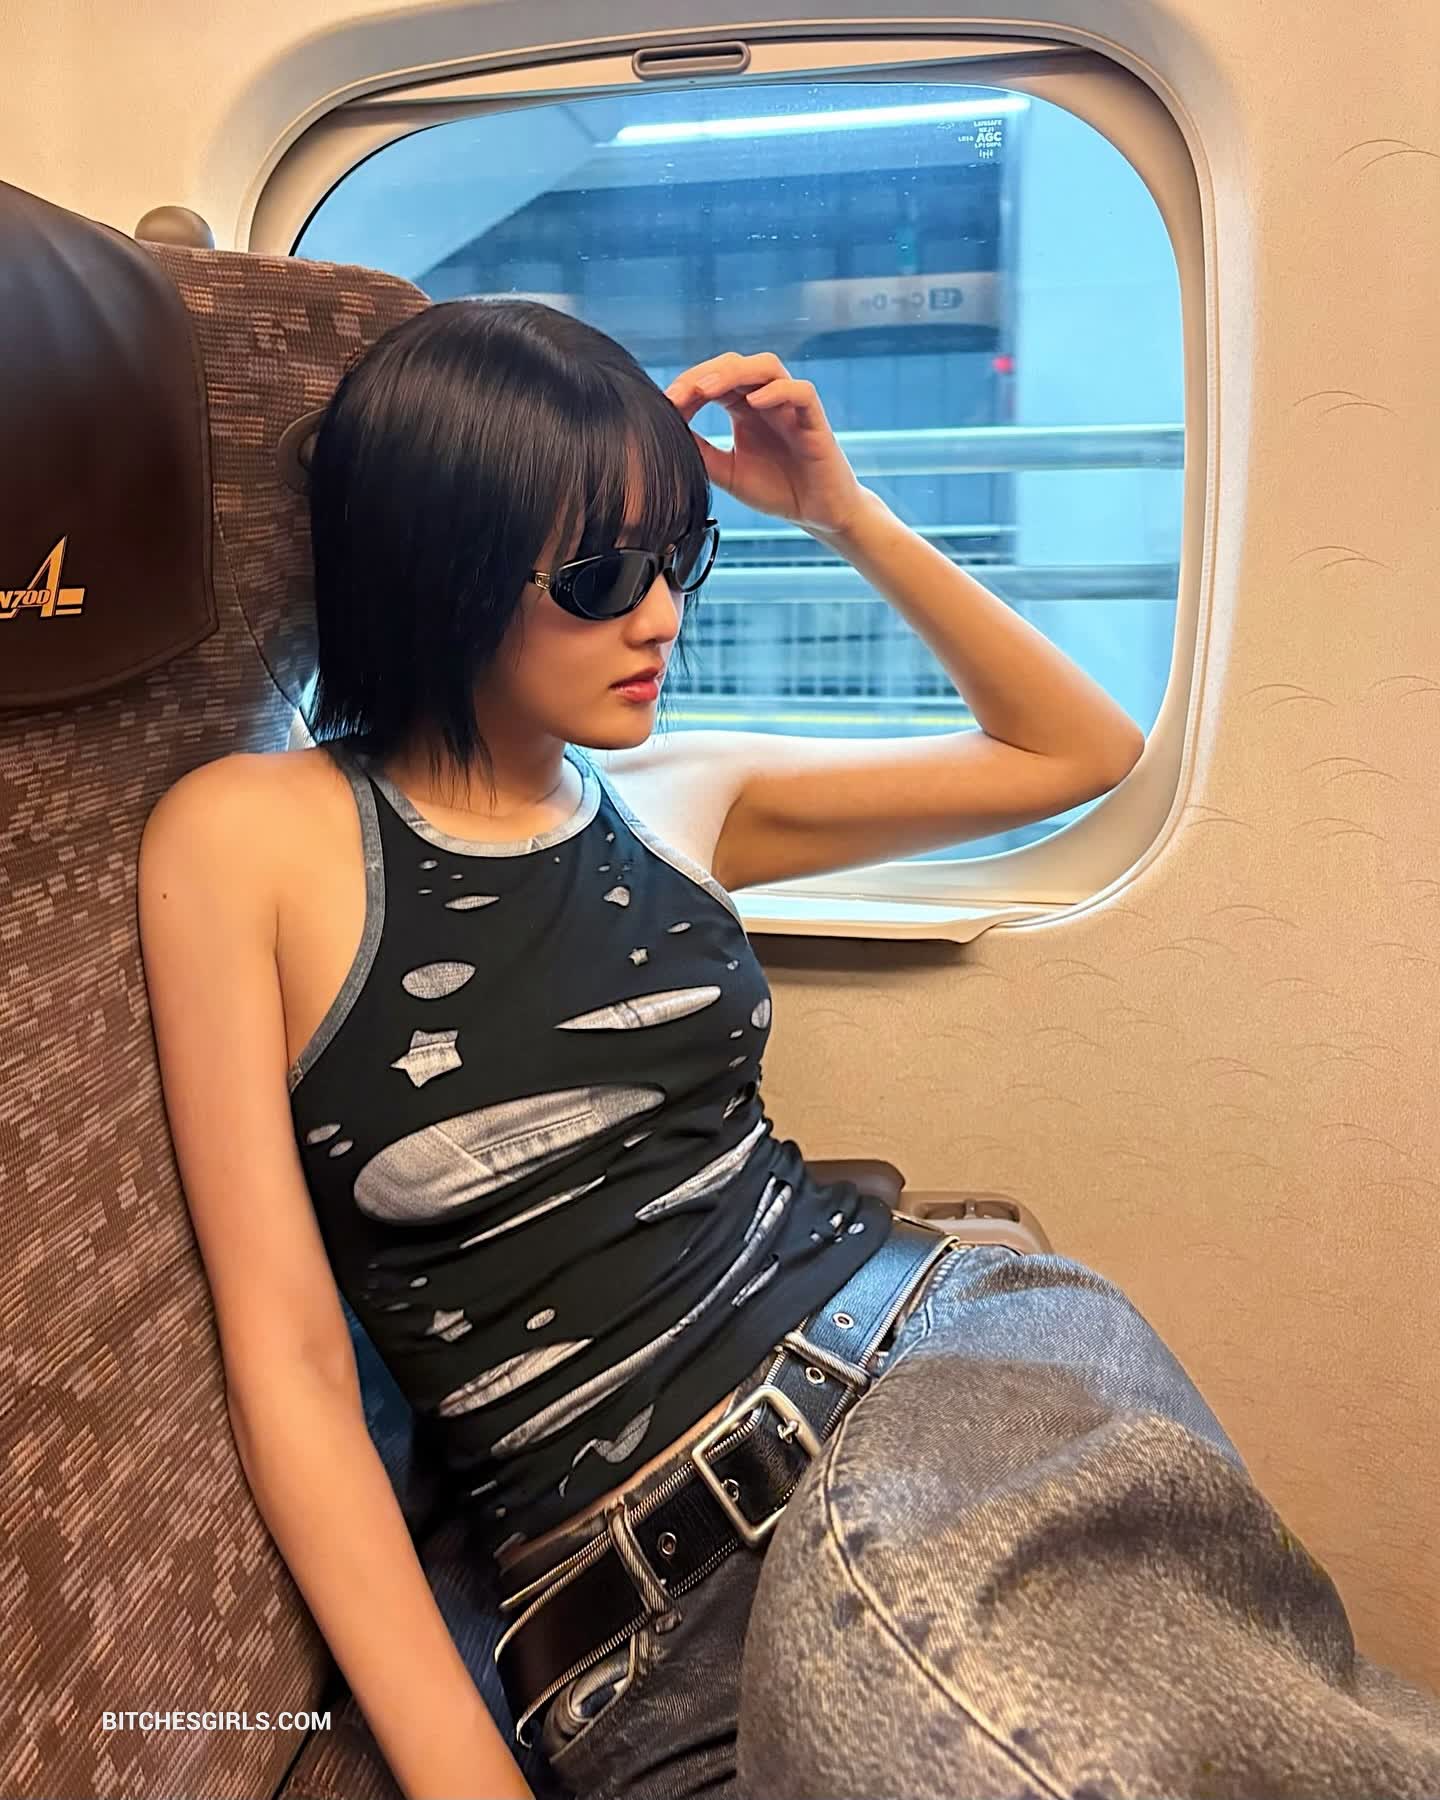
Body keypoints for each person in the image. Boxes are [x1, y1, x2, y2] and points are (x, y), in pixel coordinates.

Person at [137, 300, 1440, 1800]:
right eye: (602, 576)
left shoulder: (681, 798)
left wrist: (840, 512)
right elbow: (295, 1365)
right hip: (636, 1609)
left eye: (677, 562)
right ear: (440, 566)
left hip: (938, 1356)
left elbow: (1077, 753)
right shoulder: (248, 841)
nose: (660, 620)